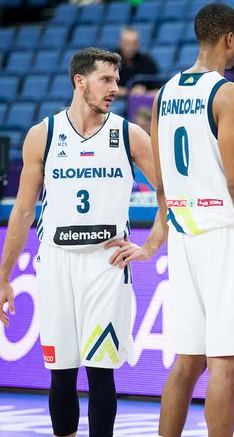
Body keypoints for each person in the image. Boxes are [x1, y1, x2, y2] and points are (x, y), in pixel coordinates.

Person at [0, 47, 164, 437]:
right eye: (106, 80)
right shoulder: (43, 135)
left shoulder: (128, 133)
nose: (115, 88)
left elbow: (170, 195)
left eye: (116, 80)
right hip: (56, 262)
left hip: (105, 264)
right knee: (60, 374)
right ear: (80, 81)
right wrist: (3, 277)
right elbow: (22, 212)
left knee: (101, 373)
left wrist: (149, 247)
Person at [153, 3, 234, 437]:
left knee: (187, 360)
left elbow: (160, 181)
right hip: (224, 237)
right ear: (230, 37)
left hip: (183, 231)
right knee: (224, 361)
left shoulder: (165, 92)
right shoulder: (229, 93)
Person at [115, 26, 159, 97]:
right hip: (115, 101)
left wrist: (144, 93)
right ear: (120, 42)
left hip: (142, 102)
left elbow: (158, 90)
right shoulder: (110, 61)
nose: (130, 47)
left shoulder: (147, 62)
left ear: (138, 44)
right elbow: (104, 88)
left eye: (134, 43)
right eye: (127, 43)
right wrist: (129, 92)